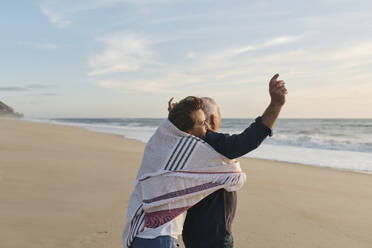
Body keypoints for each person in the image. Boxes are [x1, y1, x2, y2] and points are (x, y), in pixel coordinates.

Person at [168, 74, 287, 248]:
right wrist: (276, 104)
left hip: (190, 234)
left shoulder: (183, 145)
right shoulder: (211, 143)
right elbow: (248, 140)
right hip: (214, 238)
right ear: (214, 119)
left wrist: (177, 118)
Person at [123, 96, 247, 248]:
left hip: (139, 234)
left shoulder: (159, 144)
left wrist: (176, 119)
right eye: (201, 123)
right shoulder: (193, 153)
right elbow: (239, 145)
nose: (205, 128)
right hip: (161, 238)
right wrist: (275, 105)